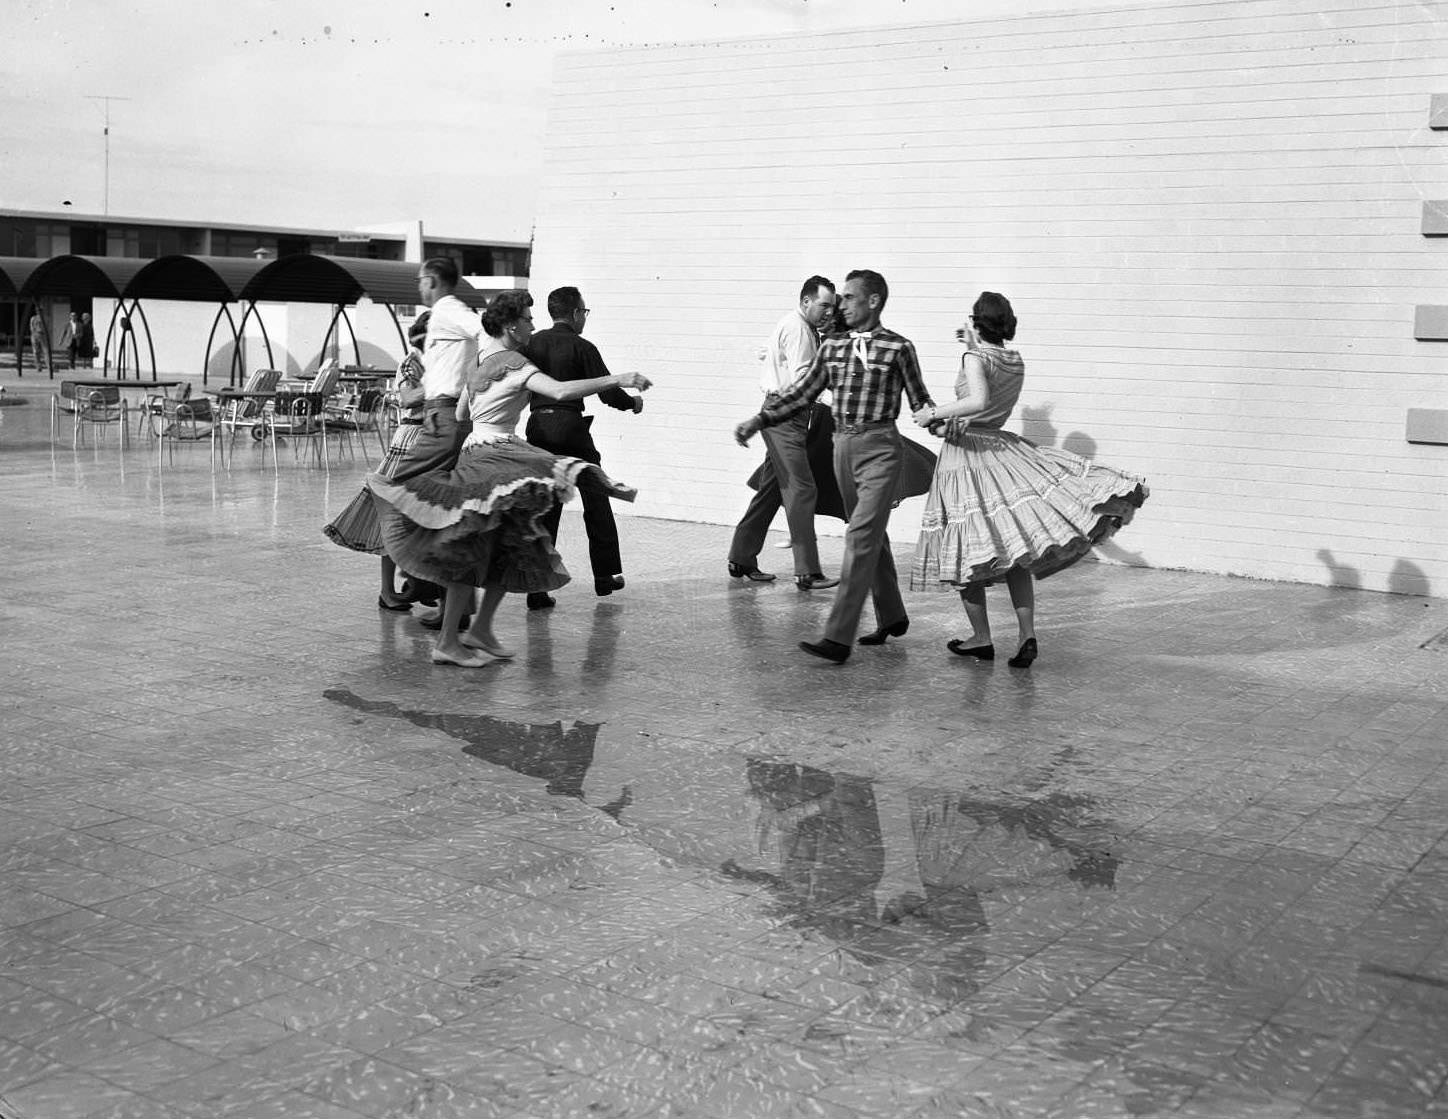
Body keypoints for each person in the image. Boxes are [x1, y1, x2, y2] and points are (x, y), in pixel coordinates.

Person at [366, 290, 653, 668]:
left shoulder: (480, 360)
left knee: (508, 543)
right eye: (529, 319)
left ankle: (480, 629)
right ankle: (449, 642)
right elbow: (562, 391)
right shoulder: (517, 363)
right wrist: (623, 377)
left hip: (478, 449)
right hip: (496, 457)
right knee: (472, 547)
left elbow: (466, 412)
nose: (534, 325)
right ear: (511, 326)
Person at [908, 292, 1147, 668]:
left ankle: (982, 637)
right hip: (1001, 449)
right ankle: (1026, 636)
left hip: (968, 456)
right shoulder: (1012, 359)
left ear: (976, 320)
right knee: (1013, 551)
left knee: (969, 548)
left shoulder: (975, 357)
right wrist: (972, 345)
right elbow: (988, 388)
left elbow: (977, 401)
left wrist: (933, 413)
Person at [735, 269, 935, 664]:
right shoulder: (833, 348)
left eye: (848, 297)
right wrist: (759, 420)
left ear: (873, 301)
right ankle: (892, 614)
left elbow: (920, 401)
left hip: (881, 448)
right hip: (841, 447)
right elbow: (800, 393)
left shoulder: (899, 348)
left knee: (860, 535)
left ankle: (838, 637)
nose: (840, 305)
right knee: (869, 532)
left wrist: (947, 419)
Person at [521, 287, 644, 610]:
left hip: (537, 427)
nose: (585, 318)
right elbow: (608, 391)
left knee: (546, 506)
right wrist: (633, 403)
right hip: (571, 427)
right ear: (575, 313)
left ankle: (537, 588)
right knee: (596, 495)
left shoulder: (531, 343)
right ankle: (604, 576)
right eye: (584, 312)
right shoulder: (582, 346)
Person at [727, 277, 841, 591]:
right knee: (802, 491)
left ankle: (741, 557)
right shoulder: (801, 330)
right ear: (806, 301)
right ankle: (807, 572)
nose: (829, 312)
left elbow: (772, 355)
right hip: (785, 416)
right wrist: (841, 400)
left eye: (832, 306)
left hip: (781, 414)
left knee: (772, 491)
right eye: (824, 305)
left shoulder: (795, 325)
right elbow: (805, 380)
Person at [323, 312, 434, 610]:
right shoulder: (413, 363)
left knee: (414, 517)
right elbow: (409, 398)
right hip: (412, 438)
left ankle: (414, 582)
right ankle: (388, 590)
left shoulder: (433, 362)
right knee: (393, 515)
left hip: (430, 439)